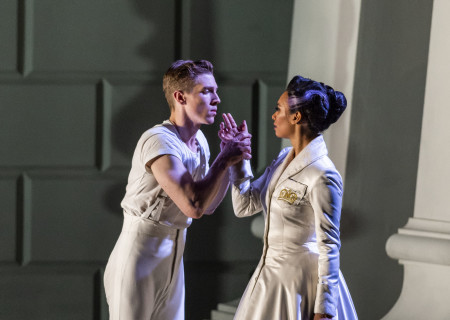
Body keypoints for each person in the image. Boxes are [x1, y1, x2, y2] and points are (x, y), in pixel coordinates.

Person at [104, 59, 251, 320]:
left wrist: (231, 162)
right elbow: (192, 206)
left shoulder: (201, 142)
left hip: (174, 257)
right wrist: (224, 159)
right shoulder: (159, 140)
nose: (217, 99)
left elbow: (208, 205)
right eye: (206, 91)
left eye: (216, 91)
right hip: (138, 257)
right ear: (180, 97)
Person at [219, 76, 358, 319]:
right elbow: (245, 206)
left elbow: (329, 245)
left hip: (300, 283)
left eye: (278, 109)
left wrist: (324, 309)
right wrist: (238, 161)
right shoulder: (283, 158)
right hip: (268, 277)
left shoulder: (323, 174)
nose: (273, 116)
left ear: (296, 117)